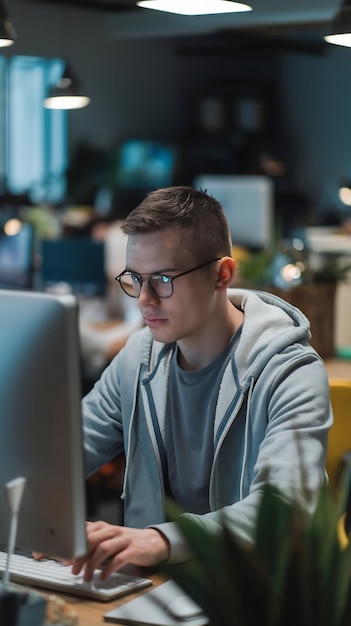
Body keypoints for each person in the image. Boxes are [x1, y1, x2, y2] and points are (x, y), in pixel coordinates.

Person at [71, 186, 333, 581]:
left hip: (251, 597)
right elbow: (64, 456)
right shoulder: (136, 359)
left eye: (162, 278)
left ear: (221, 274)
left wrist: (159, 541)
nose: (144, 300)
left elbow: (285, 510)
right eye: (135, 279)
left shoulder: (289, 371)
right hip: (152, 589)